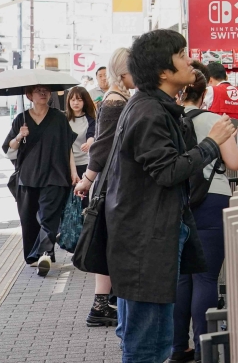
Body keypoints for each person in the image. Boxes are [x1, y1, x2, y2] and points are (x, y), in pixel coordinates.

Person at [105, 29, 234, 363]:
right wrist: (211, 143)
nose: (190, 59)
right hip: (145, 241)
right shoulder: (149, 111)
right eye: (181, 54)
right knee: (146, 344)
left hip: (152, 236)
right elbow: (168, 171)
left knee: (155, 339)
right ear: (163, 71)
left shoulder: (153, 107)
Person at [171, 63, 238, 362]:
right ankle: (204, 350)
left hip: (178, 201)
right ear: (205, 94)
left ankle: (177, 348)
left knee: (182, 278)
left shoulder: (169, 119)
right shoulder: (216, 120)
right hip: (213, 201)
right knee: (207, 278)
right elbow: (235, 161)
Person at [75, 48, 133, 327]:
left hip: (111, 181)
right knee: (111, 242)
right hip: (111, 182)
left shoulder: (117, 99)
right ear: (124, 71)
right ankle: (104, 305)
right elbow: (103, 145)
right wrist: (87, 179)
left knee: (108, 241)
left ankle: (104, 304)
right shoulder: (115, 101)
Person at [2, 85, 77, 276]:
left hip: (55, 174)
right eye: (38, 91)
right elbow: (9, 146)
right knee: (28, 218)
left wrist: (73, 171)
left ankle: (44, 253)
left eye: (46, 90)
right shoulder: (22, 119)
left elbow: (68, 146)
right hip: (28, 176)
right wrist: (20, 135)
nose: (43, 94)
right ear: (29, 95)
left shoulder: (59, 117)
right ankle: (34, 256)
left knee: (48, 216)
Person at [65, 86, 97, 193]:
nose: (75, 103)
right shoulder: (64, 119)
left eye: (79, 100)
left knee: (82, 196)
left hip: (84, 162)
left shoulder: (90, 119)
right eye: (73, 100)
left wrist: (89, 143)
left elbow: (91, 134)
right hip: (66, 163)